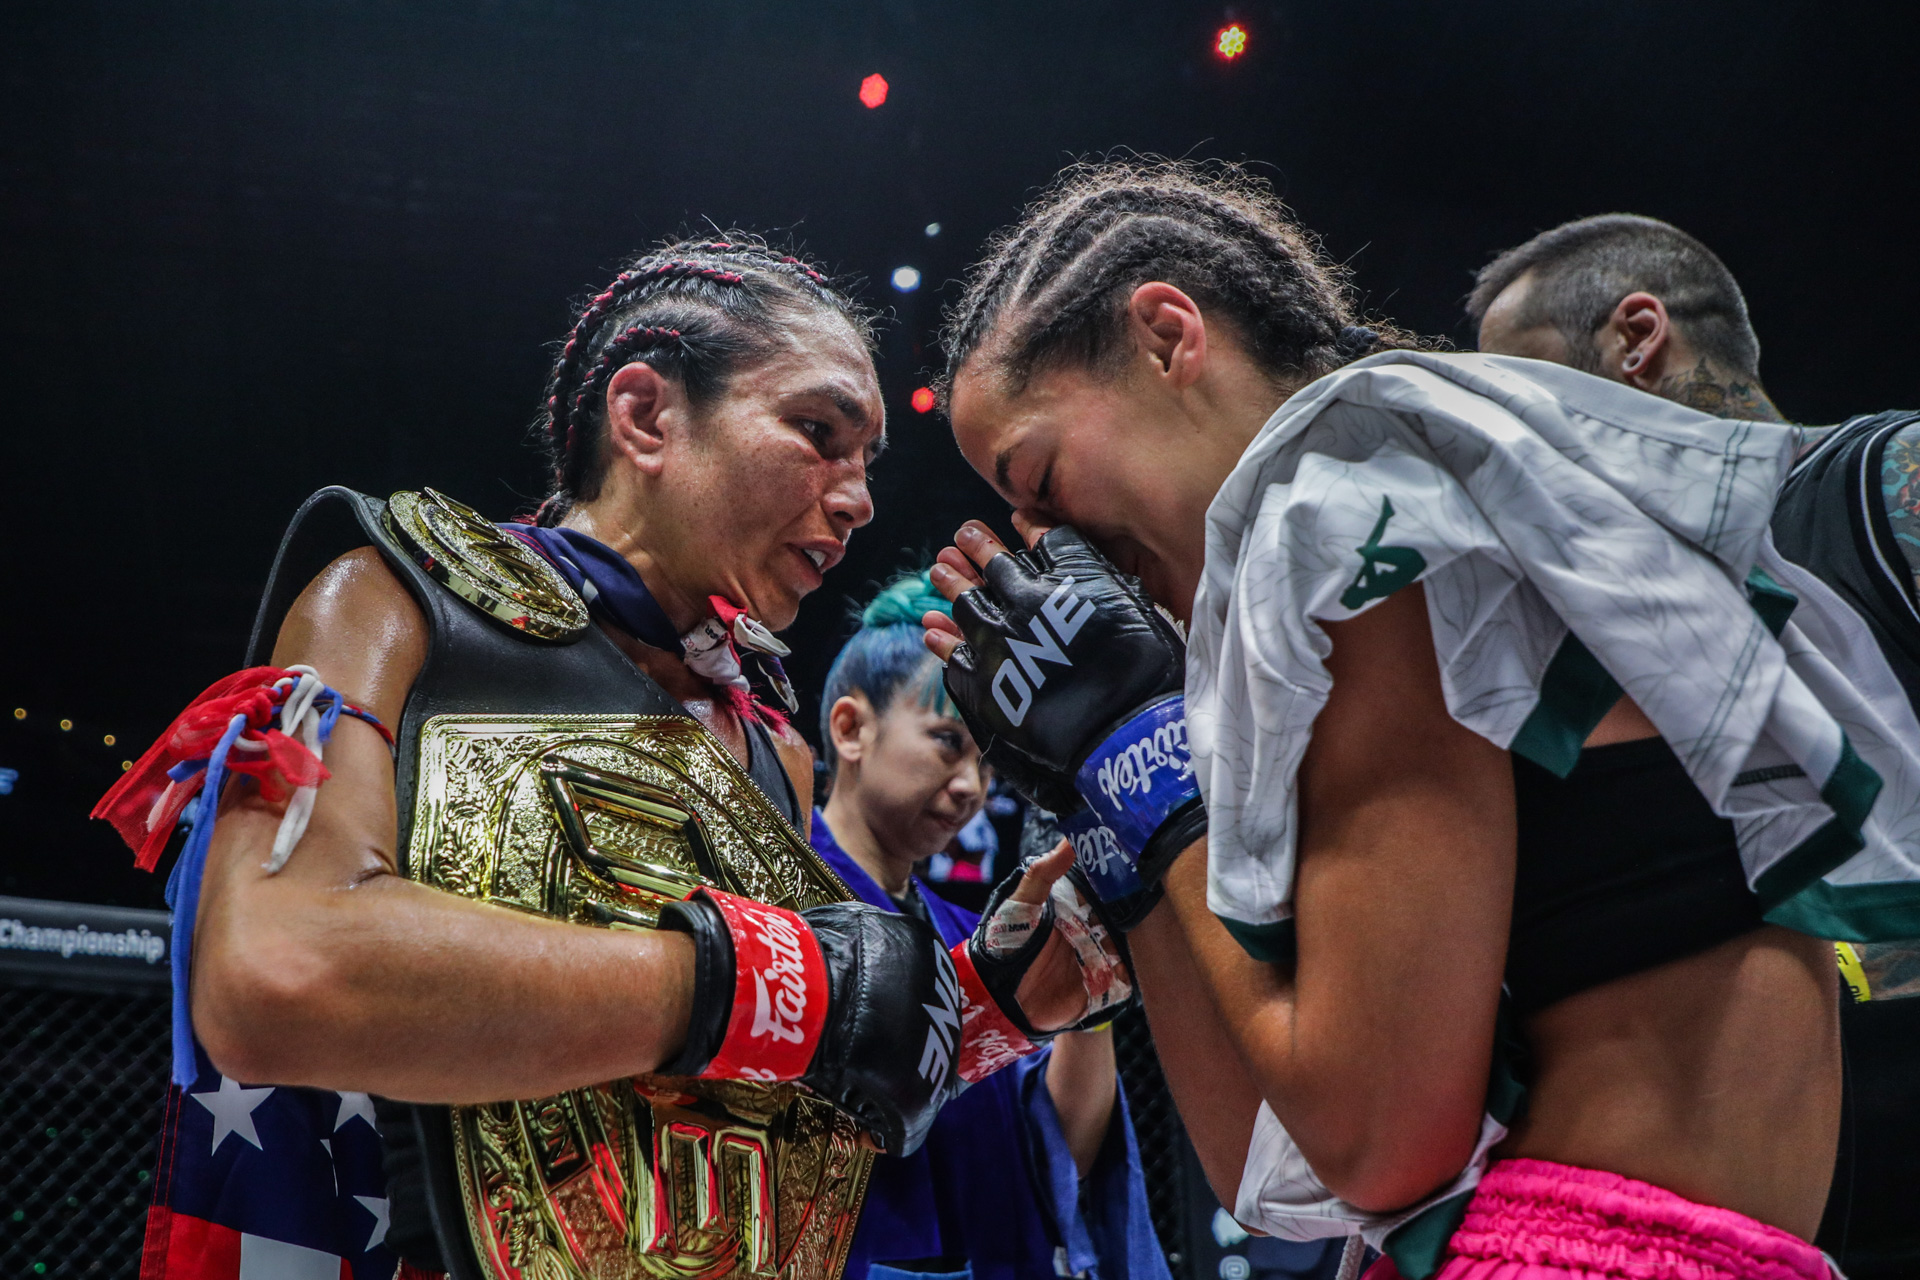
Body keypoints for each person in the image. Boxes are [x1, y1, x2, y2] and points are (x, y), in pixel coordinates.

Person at [917, 158, 1920, 1280]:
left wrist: (1137, 746)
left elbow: (1381, 1143)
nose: (1060, 554)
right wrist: (1112, 792)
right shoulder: (1393, 530)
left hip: (1585, 1248)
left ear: (1166, 335)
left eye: (1045, 479)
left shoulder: (1348, 504)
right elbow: (1271, 1162)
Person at [91, 235, 1081, 1280]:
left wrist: (993, 1002)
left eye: (866, 458)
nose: (857, 495)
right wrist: (746, 985)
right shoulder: (396, 600)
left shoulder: (772, 738)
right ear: (647, 414)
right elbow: (273, 973)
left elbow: (786, 1106)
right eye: (818, 430)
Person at [1467, 212, 1920, 1279]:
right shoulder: (1573, 637)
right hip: (1748, 1233)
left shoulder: (1884, 488)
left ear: (1637, 338)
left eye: (1519, 390)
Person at [811, 569, 1168, 1280]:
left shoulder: (979, 929)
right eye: (948, 742)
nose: (973, 786)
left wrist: (1088, 1002)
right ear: (851, 730)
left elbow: (1058, 1152)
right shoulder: (783, 903)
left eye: (985, 761)